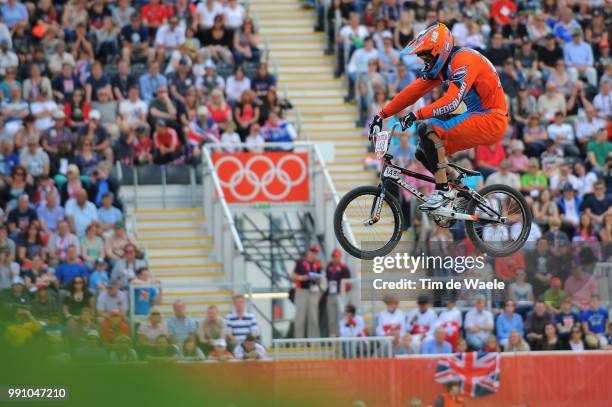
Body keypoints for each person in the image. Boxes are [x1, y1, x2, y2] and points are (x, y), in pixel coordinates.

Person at [370, 23, 508, 212]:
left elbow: (451, 101)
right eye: (422, 57)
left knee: (428, 129)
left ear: (439, 51)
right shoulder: (446, 64)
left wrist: (416, 114)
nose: (424, 62)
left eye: (426, 57)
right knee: (423, 151)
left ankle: (443, 191)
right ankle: (461, 190)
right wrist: (381, 114)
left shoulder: (463, 61)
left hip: (492, 119)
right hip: (479, 115)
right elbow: (413, 91)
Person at [291, 245, 322, 338]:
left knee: (313, 317)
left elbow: (320, 277)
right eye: (312, 252)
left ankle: (314, 342)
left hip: (313, 290)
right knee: (300, 317)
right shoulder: (301, 262)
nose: (314, 255)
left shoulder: (317, 263)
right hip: (301, 290)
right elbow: (293, 275)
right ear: (309, 252)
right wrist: (301, 278)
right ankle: (299, 341)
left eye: (315, 253)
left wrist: (318, 280)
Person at [325, 248, 351, 337]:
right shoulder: (329, 267)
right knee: (332, 316)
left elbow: (348, 283)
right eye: (333, 257)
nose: (335, 258)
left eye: (336, 256)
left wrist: (343, 289)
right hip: (331, 294)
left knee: (342, 314)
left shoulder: (344, 268)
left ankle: (343, 334)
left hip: (341, 294)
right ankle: (333, 335)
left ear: (340, 257)